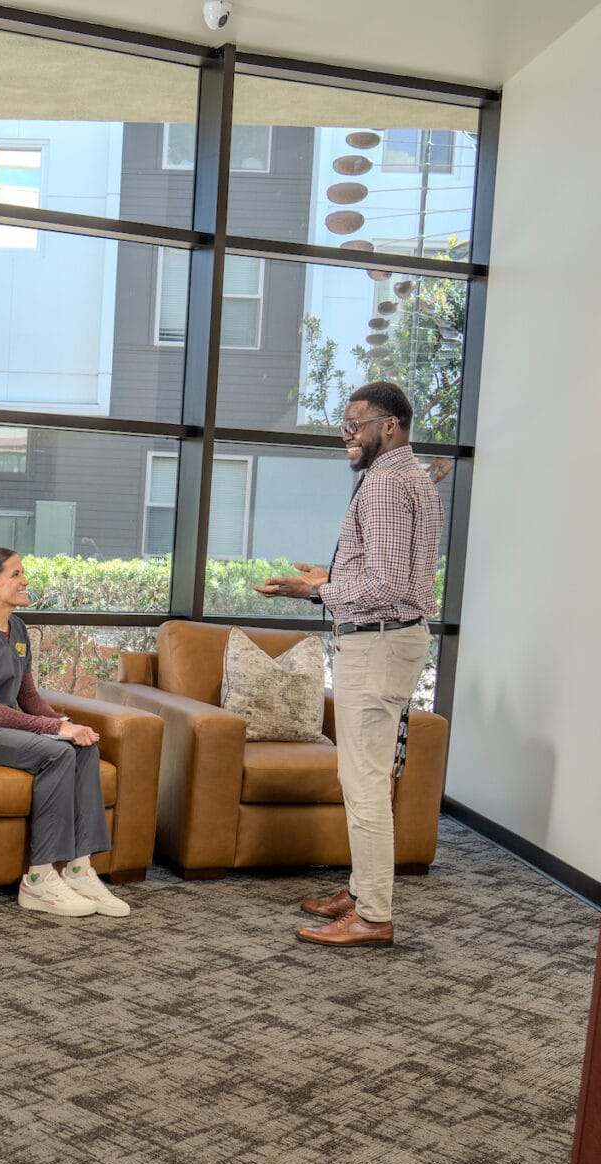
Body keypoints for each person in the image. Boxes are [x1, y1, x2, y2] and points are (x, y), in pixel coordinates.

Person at [259, 380, 442, 949]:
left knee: (362, 783)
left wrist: (314, 593)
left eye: (355, 424)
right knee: (366, 777)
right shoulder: (414, 475)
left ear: (390, 426)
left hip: (378, 642)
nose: (347, 434)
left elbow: (386, 582)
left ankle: (373, 916)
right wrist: (329, 579)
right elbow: (395, 574)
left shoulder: (386, 482)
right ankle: (363, 892)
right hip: (394, 637)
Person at [0, 548, 129, 918]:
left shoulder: (17, 628)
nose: (25, 580)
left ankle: (78, 869)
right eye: (16, 574)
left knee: (83, 748)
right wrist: (56, 730)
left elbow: (28, 697)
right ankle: (38, 880)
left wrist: (66, 724)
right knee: (57, 751)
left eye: (24, 572)